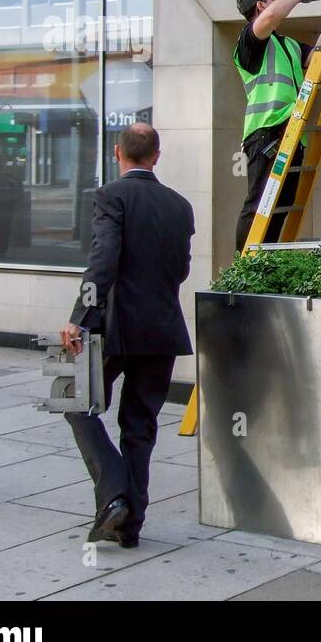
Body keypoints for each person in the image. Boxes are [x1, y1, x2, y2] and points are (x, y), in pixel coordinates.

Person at [60, 122, 194, 548]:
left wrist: (79, 316)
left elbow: (104, 258)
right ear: (156, 156)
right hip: (162, 329)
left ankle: (114, 491)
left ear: (119, 154)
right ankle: (129, 524)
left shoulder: (111, 195)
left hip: (117, 327)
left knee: (77, 403)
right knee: (140, 426)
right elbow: (181, 269)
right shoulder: (180, 206)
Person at [233, 0, 321, 251]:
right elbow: (271, 18)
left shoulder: (286, 45)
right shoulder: (250, 42)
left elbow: (319, 54)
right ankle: (245, 263)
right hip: (266, 133)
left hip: (291, 133)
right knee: (260, 203)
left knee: (279, 205)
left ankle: (266, 259)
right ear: (260, 5)